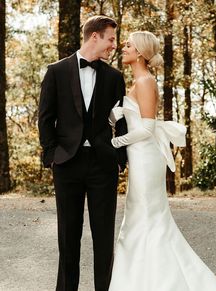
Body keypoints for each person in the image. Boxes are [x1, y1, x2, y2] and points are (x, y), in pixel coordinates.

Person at [108, 31, 216, 291]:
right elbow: (130, 119)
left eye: (128, 45)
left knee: (146, 216)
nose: (123, 47)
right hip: (139, 156)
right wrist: (114, 115)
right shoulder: (136, 81)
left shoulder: (145, 81)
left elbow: (147, 129)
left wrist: (114, 143)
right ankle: (139, 278)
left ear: (140, 53)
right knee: (137, 216)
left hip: (146, 157)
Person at [38, 16, 127, 291]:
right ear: (94, 37)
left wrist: (120, 158)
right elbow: (45, 118)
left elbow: (122, 122)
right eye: (111, 39)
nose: (114, 45)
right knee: (68, 236)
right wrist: (52, 154)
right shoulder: (56, 71)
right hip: (67, 163)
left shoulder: (114, 77)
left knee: (103, 239)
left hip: (103, 165)